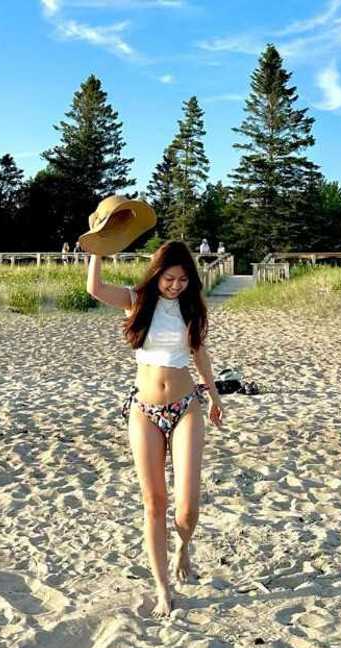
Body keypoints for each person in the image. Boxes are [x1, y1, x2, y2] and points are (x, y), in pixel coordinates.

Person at [86, 240, 224, 618]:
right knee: (154, 504)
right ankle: (163, 589)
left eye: (182, 279)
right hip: (144, 409)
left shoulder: (192, 308)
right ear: (157, 273)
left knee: (187, 507)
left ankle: (184, 545)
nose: (176, 286)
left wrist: (214, 396)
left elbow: (199, 353)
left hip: (185, 407)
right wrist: (99, 246)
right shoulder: (137, 300)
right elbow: (94, 289)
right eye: (169, 278)